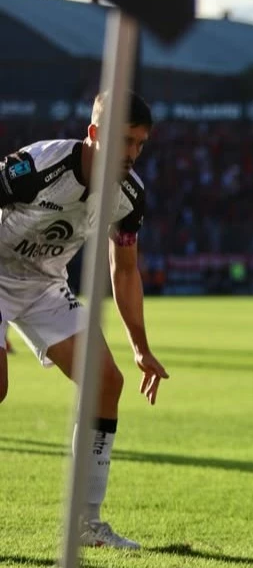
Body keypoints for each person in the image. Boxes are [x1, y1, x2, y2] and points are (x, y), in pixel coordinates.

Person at [0, 91, 169, 548]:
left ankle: (86, 523)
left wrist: (140, 346)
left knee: (105, 382)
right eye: (124, 141)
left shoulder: (128, 196)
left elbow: (126, 268)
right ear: (95, 134)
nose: (132, 154)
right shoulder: (38, 166)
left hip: (43, 286)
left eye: (139, 144)